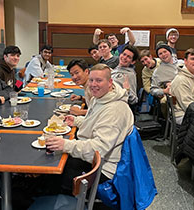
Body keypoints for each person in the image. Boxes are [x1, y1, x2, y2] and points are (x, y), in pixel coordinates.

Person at [46, 63, 134, 192]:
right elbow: (95, 123)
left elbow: (99, 149)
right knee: (57, 161)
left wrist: (66, 145)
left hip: (103, 168)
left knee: (51, 176)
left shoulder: (115, 110)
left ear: (110, 82)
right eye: (91, 80)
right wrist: (77, 121)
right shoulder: (101, 98)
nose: (93, 84)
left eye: (99, 80)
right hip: (94, 158)